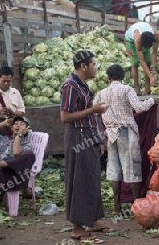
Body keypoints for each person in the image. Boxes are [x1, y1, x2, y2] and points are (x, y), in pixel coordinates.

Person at [60, 50, 115, 241]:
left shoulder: (84, 87)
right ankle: (76, 227)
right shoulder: (70, 86)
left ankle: (94, 220)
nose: (96, 68)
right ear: (83, 66)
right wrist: (94, 109)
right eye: (93, 65)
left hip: (89, 136)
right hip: (77, 138)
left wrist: (99, 140)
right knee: (79, 180)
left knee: (92, 179)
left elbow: (91, 117)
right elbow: (65, 117)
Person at [93, 64, 159, 215]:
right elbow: (139, 108)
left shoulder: (101, 93)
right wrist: (151, 101)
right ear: (122, 77)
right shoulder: (126, 90)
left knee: (114, 170)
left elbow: (94, 111)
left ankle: (116, 207)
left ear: (109, 78)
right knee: (133, 170)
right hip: (126, 133)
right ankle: (136, 206)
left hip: (110, 134)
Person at [0, 116, 35, 222]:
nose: (18, 125)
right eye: (15, 123)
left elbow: (16, 153)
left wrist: (19, 136)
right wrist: (4, 123)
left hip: (14, 175)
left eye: (21, 124)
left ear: (26, 129)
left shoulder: (27, 144)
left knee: (28, 155)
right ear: (11, 128)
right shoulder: (3, 139)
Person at [125, 22, 159, 96]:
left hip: (144, 39)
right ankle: (137, 89)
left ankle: (147, 88)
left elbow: (154, 52)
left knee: (148, 61)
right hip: (130, 41)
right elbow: (141, 61)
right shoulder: (137, 40)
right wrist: (151, 76)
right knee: (135, 63)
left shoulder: (156, 36)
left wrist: (154, 69)